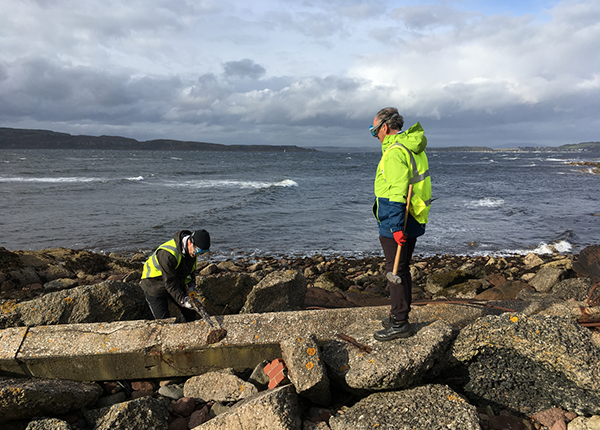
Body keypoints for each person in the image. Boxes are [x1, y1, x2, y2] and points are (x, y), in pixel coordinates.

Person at [370, 107, 431, 341]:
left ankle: (399, 322)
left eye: (374, 131)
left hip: (398, 218)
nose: (376, 136)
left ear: (385, 127)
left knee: (394, 270)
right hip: (413, 213)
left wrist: (395, 227)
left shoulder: (395, 151)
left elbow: (397, 191)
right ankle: (399, 314)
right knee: (402, 266)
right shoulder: (412, 146)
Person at [140, 229, 211, 322]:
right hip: (154, 284)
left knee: (190, 313)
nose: (198, 254)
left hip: (175, 281)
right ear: (190, 242)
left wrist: (191, 287)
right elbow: (169, 283)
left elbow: (190, 273)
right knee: (164, 322)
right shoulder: (168, 254)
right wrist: (183, 301)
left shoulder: (192, 253)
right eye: (198, 251)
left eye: (202, 253)